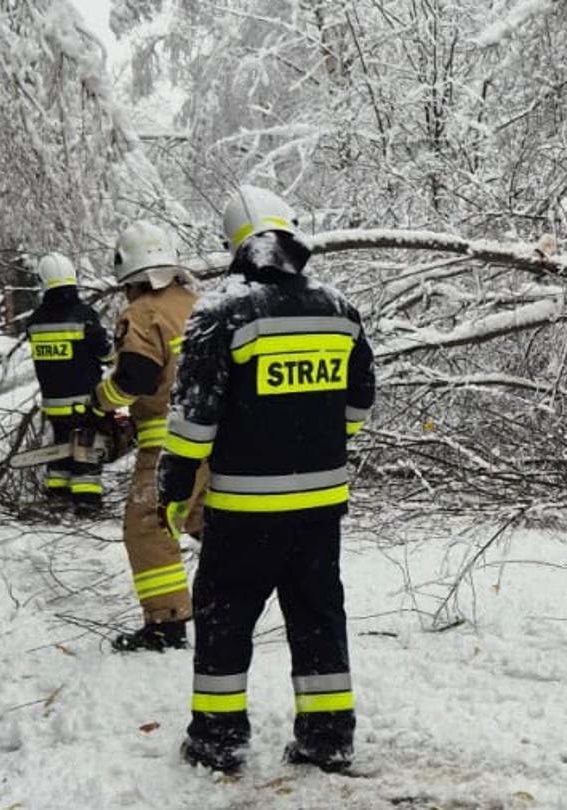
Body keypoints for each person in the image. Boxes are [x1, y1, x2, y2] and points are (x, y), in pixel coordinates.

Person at [158, 186, 375, 773]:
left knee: (226, 618)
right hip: (322, 507)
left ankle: (217, 738)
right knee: (318, 616)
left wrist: (174, 484)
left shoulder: (221, 312)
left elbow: (195, 418)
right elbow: (358, 406)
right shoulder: (339, 308)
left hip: (245, 509)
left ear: (235, 242)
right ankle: (328, 738)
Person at [91, 221, 207, 653]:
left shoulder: (142, 313)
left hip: (169, 444)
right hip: (219, 441)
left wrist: (101, 400)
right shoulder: (198, 304)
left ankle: (166, 625)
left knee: (148, 527)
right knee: (199, 518)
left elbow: (135, 376)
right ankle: (231, 596)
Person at [24, 253, 111, 513]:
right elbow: (104, 352)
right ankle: (86, 502)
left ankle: (58, 495)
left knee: (61, 447)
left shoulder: (35, 321)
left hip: (53, 403)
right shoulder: (83, 316)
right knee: (86, 448)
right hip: (83, 400)